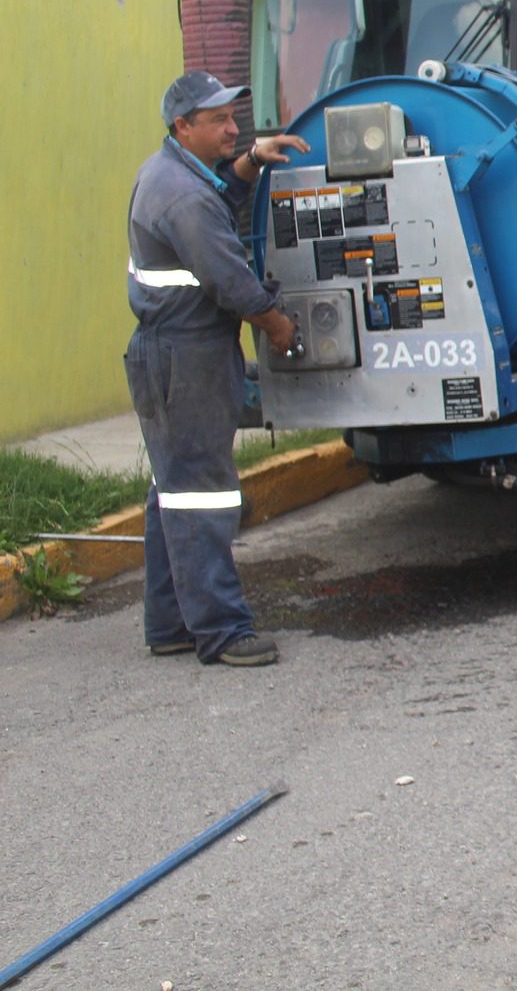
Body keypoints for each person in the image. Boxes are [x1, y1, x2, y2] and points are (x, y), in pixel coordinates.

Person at [126, 71, 310, 666]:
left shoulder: (174, 174)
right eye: (220, 121)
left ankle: (171, 621)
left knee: (173, 493)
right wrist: (280, 327)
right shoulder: (181, 196)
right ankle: (223, 630)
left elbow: (218, 194)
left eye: (234, 118)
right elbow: (232, 281)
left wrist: (252, 161)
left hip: (174, 352)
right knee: (200, 495)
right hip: (186, 357)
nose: (233, 128)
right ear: (183, 126)